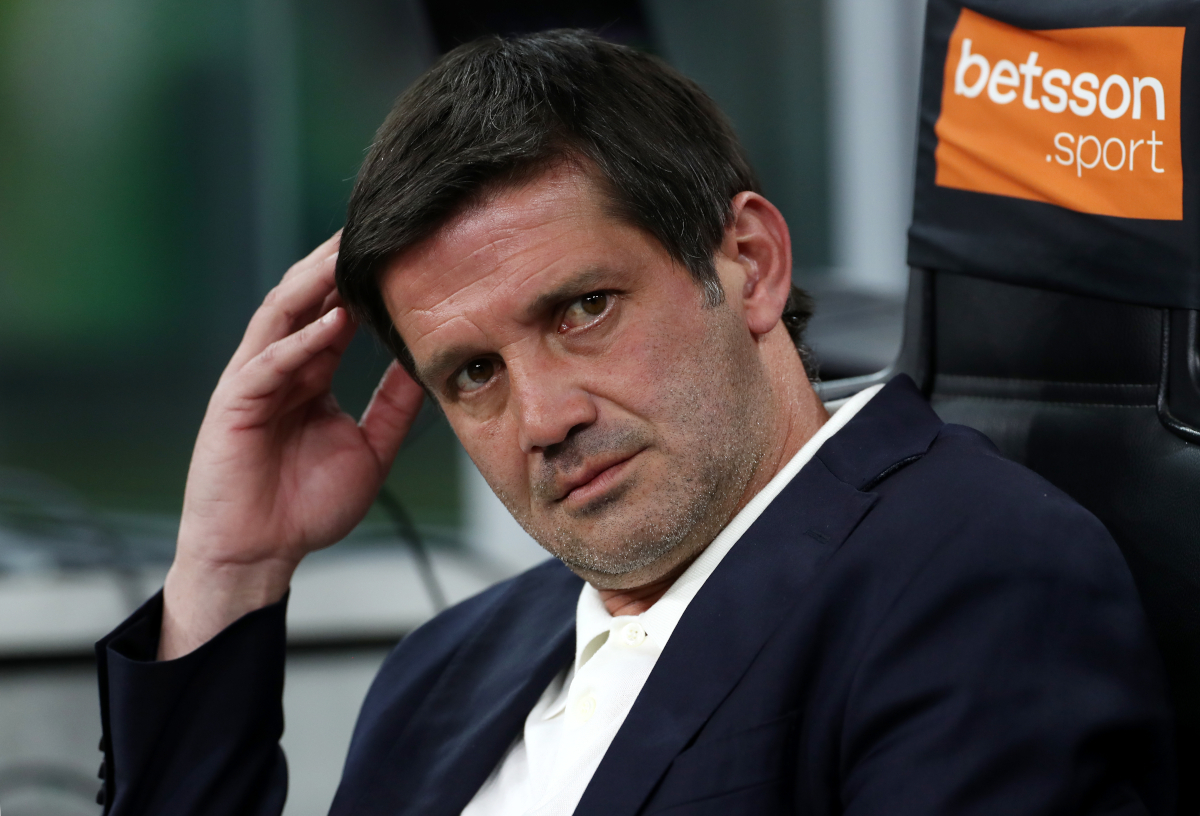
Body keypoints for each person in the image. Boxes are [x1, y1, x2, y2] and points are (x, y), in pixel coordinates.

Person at [94, 30, 1175, 815]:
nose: (543, 418)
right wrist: (228, 573)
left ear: (748, 264)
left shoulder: (965, 573)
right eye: (473, 372)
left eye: (582, 311)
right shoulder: (443, 671)